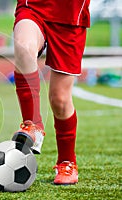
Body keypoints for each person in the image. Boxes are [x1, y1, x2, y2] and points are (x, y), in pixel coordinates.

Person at [11, 0, 90, 185]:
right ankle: (32, 125)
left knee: (59, 100)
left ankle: (67, 161)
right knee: (24, 47)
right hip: (34, 6)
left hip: (70, 17)